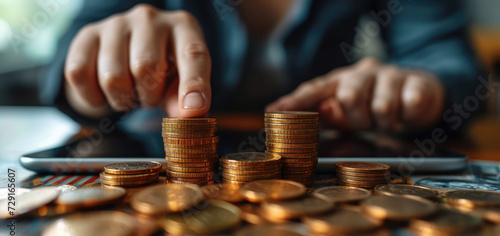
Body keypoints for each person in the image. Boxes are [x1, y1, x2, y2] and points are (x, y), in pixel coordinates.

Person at [42, 0, 482, 132]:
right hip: (150, 151)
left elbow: (446, 57)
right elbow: (73, 54)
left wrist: (424, 86)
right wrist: (94, 82)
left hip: (324, 150)